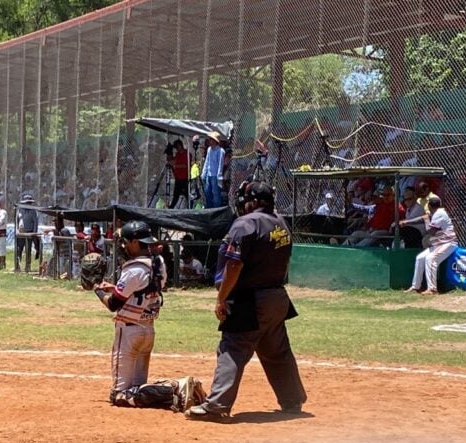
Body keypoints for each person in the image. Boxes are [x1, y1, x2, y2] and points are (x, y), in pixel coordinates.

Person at [187, 183, 307, 420]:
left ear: (253, 201)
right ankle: (292, 400)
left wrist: (221, 298)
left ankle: (217, 405)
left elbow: (234, 264)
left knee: (232, 348)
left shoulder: (245, 224)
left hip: (251, 299)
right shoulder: (281, 222)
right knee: (277, 351)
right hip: (277, 297)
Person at [94, 220, 203, 412]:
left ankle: (174, 388)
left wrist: (98, 291)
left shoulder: (134, 269)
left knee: (120, 395)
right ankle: (177, 392)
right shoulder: (158, 263)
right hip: (148, 330)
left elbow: (113, 304)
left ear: (136, 242)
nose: (125, 246)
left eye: (127, 242)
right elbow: (143, 288)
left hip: (129, 334)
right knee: (137, 390)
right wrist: (115, 288)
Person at [406, 196, 457, 295]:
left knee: (430, 259)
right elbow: (423, 218)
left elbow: (431, 232)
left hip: (448, 243)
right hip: (439, 244)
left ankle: (432, 289)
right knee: (420, 258)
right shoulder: (436, 213)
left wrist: (426, 220)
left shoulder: (439, 214)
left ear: (429, 206)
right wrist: (407, 222)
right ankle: (415, 287)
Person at [14, 192, 38, 273]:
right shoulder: (19, 210)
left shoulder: (33, 211)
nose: (28, 204)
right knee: (19, 249)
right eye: (27, 202)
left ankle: (28, 266)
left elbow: (35, 222)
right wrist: (17, 230)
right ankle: (17, 265)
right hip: (21, 233)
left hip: (29, 233)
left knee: (28, 250)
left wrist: (34, 233)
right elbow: (17, 220)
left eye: (29, 202)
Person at [201, 137, 225, 208]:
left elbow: (220, 164)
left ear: (215, 141)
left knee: (216, 194)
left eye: (211, 139)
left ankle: (217, 209)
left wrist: (219, 177)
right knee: (207, 192)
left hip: (215, 176)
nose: (210, 141)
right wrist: (204, 173)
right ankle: (209, 208)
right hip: (209, 174)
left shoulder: (220, 151)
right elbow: (207, 162)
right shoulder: (209, 149)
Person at [168, 140, 190, 209]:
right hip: (178, 178)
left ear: (180, 145)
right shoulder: (178, 154)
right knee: (176, 195)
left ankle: (190, 207)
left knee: (187, 195)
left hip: (185, 178)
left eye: (177, 147)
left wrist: (176, 166)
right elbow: (173, 161)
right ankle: (171, 207)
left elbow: (186, 165)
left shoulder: (187, 154)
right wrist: (169, 155)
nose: (177, 149)